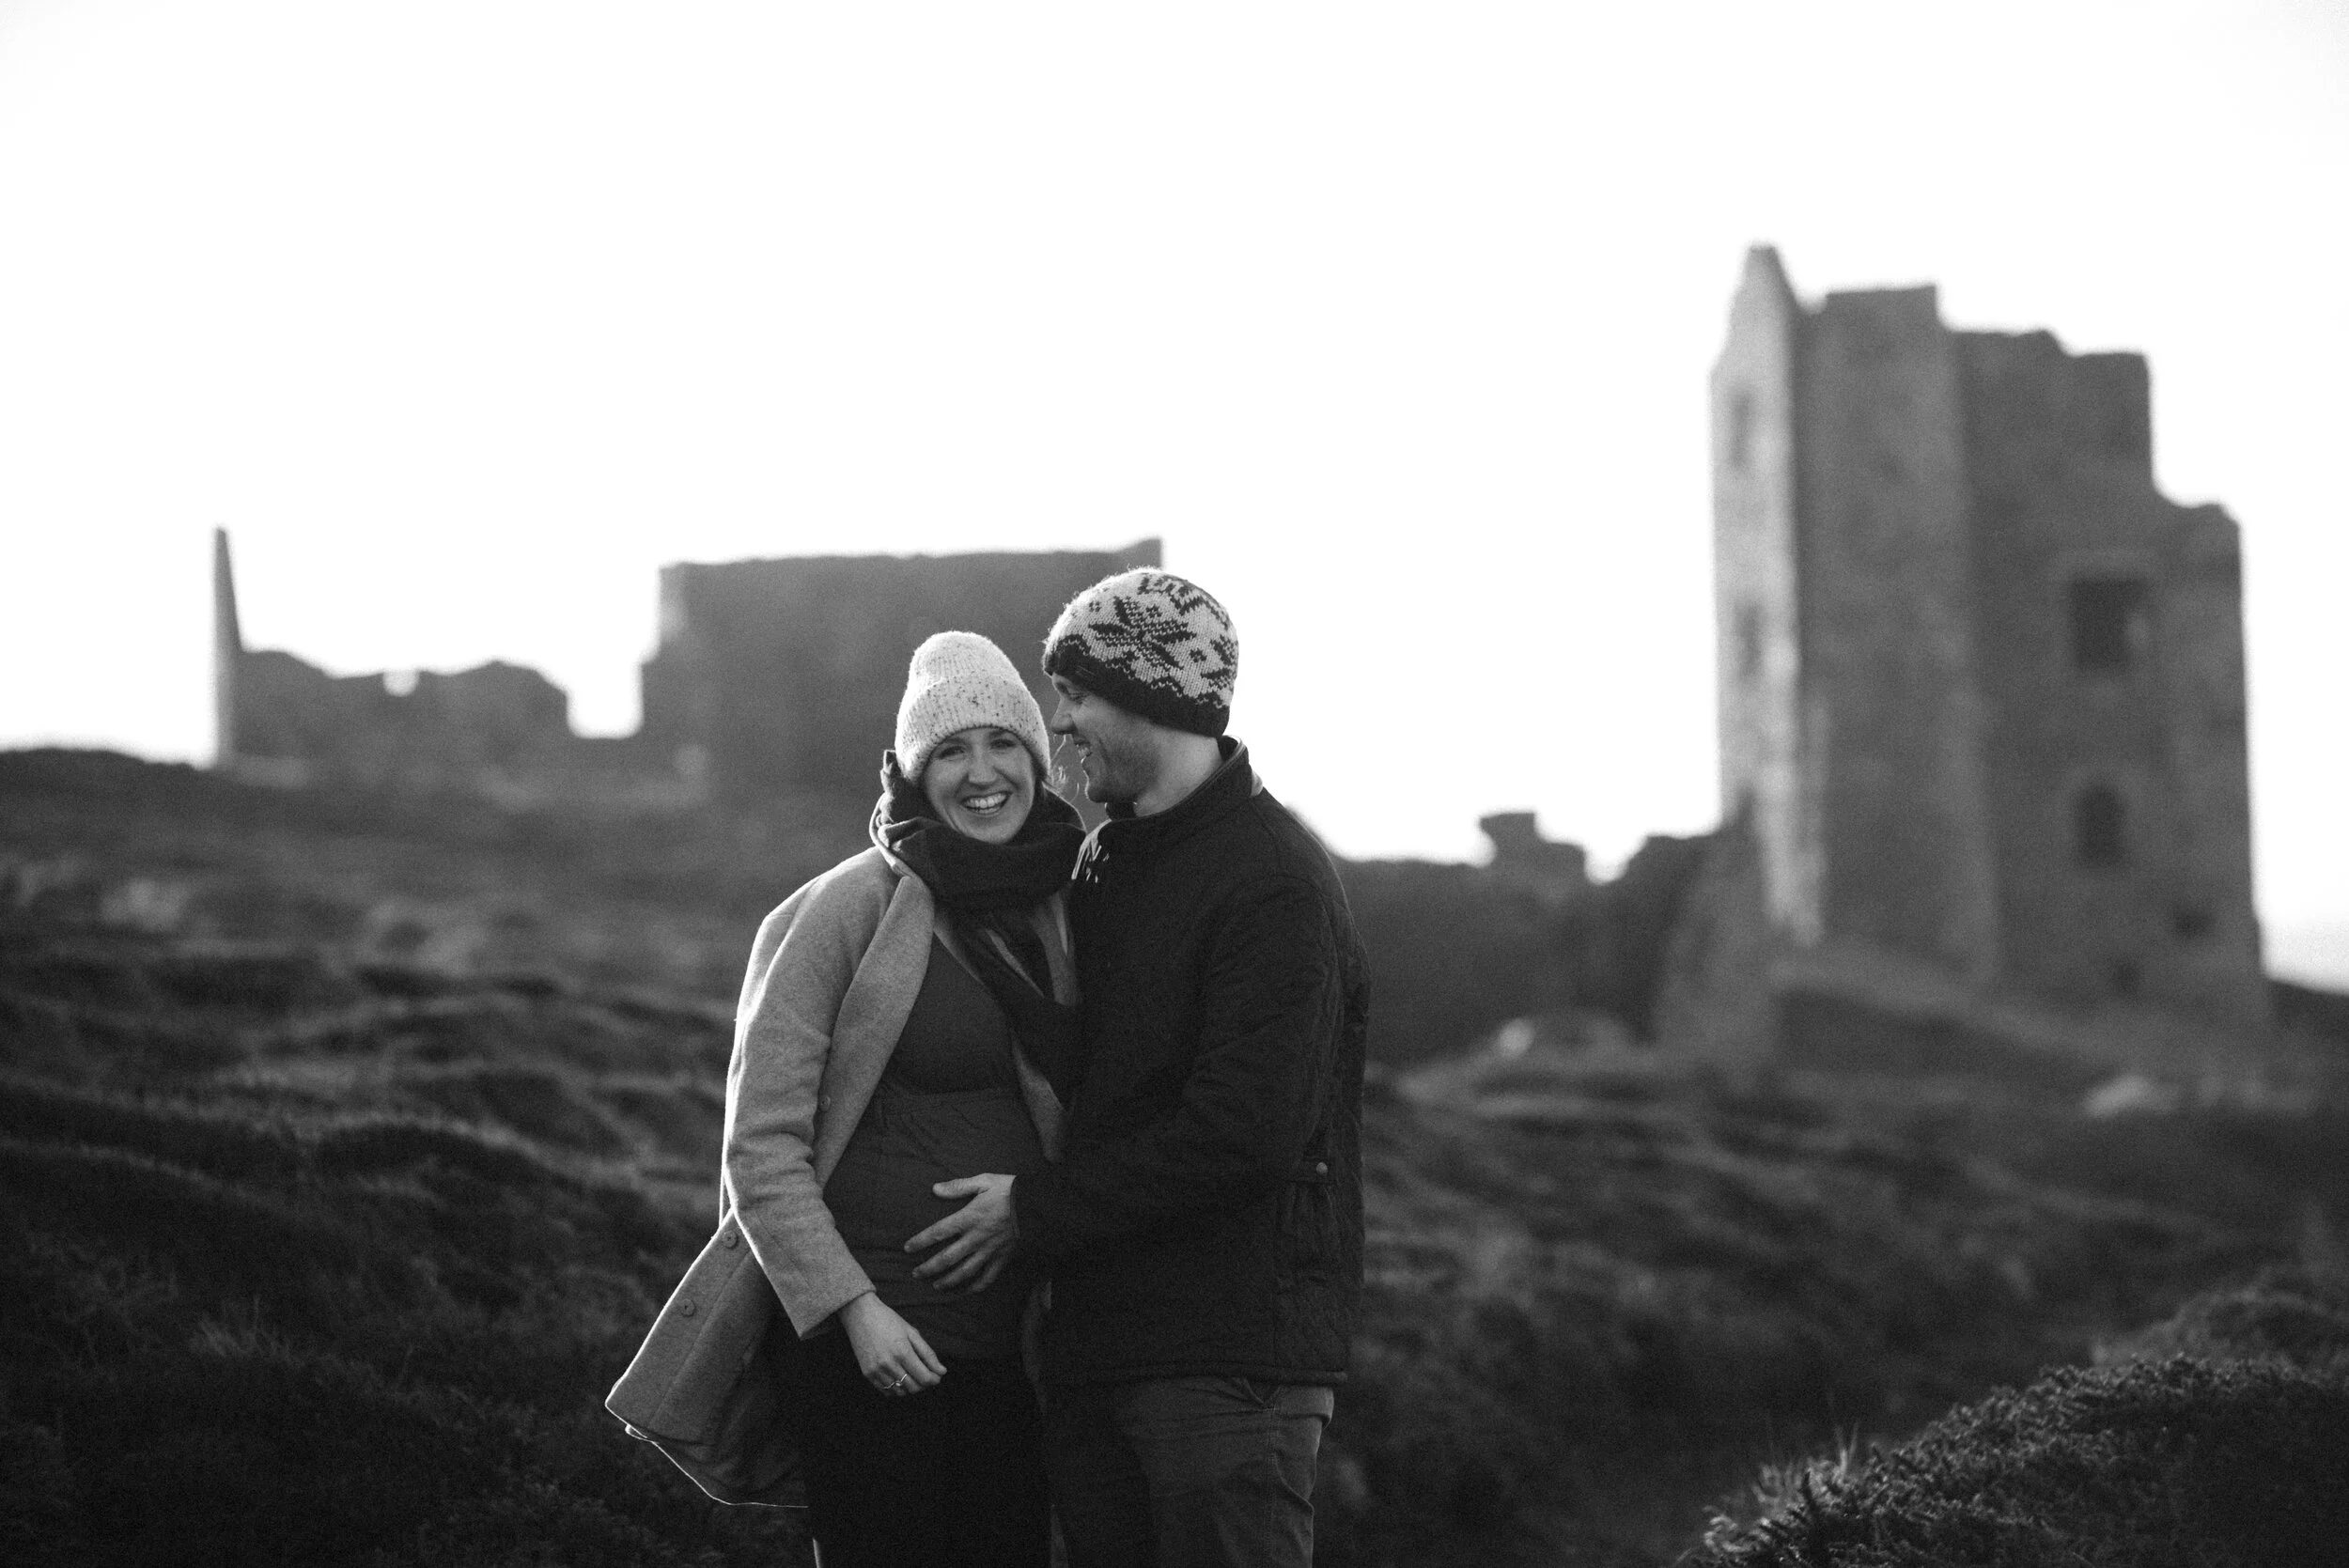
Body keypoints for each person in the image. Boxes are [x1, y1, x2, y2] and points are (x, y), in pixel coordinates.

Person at [909, 570, 1370, 1568]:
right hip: (1098, 1353)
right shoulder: (1104, 865)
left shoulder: (1273, 882)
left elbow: (1242, 1130)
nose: (1058, 724)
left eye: (1073, 695)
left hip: (1225, 1365)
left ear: (1149, 696)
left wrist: (1032, 1211)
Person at [607, 630, 1084, 1568]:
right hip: (868, 1346)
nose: (981, 773)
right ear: (911, 773)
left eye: (1002, 745)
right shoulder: (841, 909)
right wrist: (855, 1311)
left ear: (1035, 759)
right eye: (948, 750)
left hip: (1005, 1346)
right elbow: (762, 1148)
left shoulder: (1060, 906)